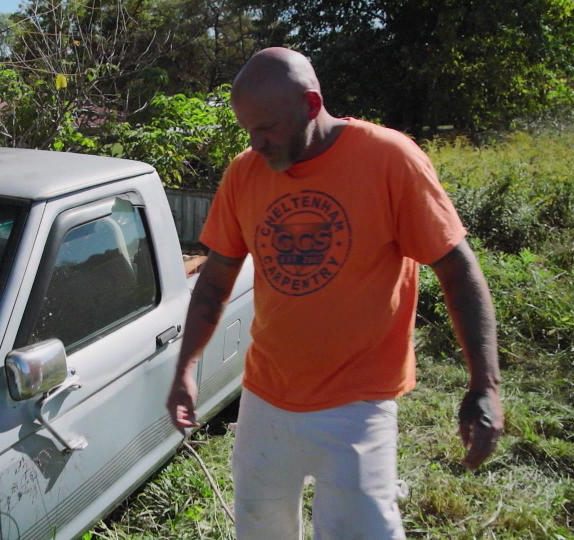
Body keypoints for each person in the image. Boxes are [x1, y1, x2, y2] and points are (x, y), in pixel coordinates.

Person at [165, 48, 503, 539]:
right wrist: (185, 370)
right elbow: (215, 280)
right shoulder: (245, 172)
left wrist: (484, 384)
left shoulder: (388, 158)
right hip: (265, 395)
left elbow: (459, 273)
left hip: (357, 404)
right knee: (260, 528)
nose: (256, 143)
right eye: (248, 131)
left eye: (267, 128)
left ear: (310, 104)